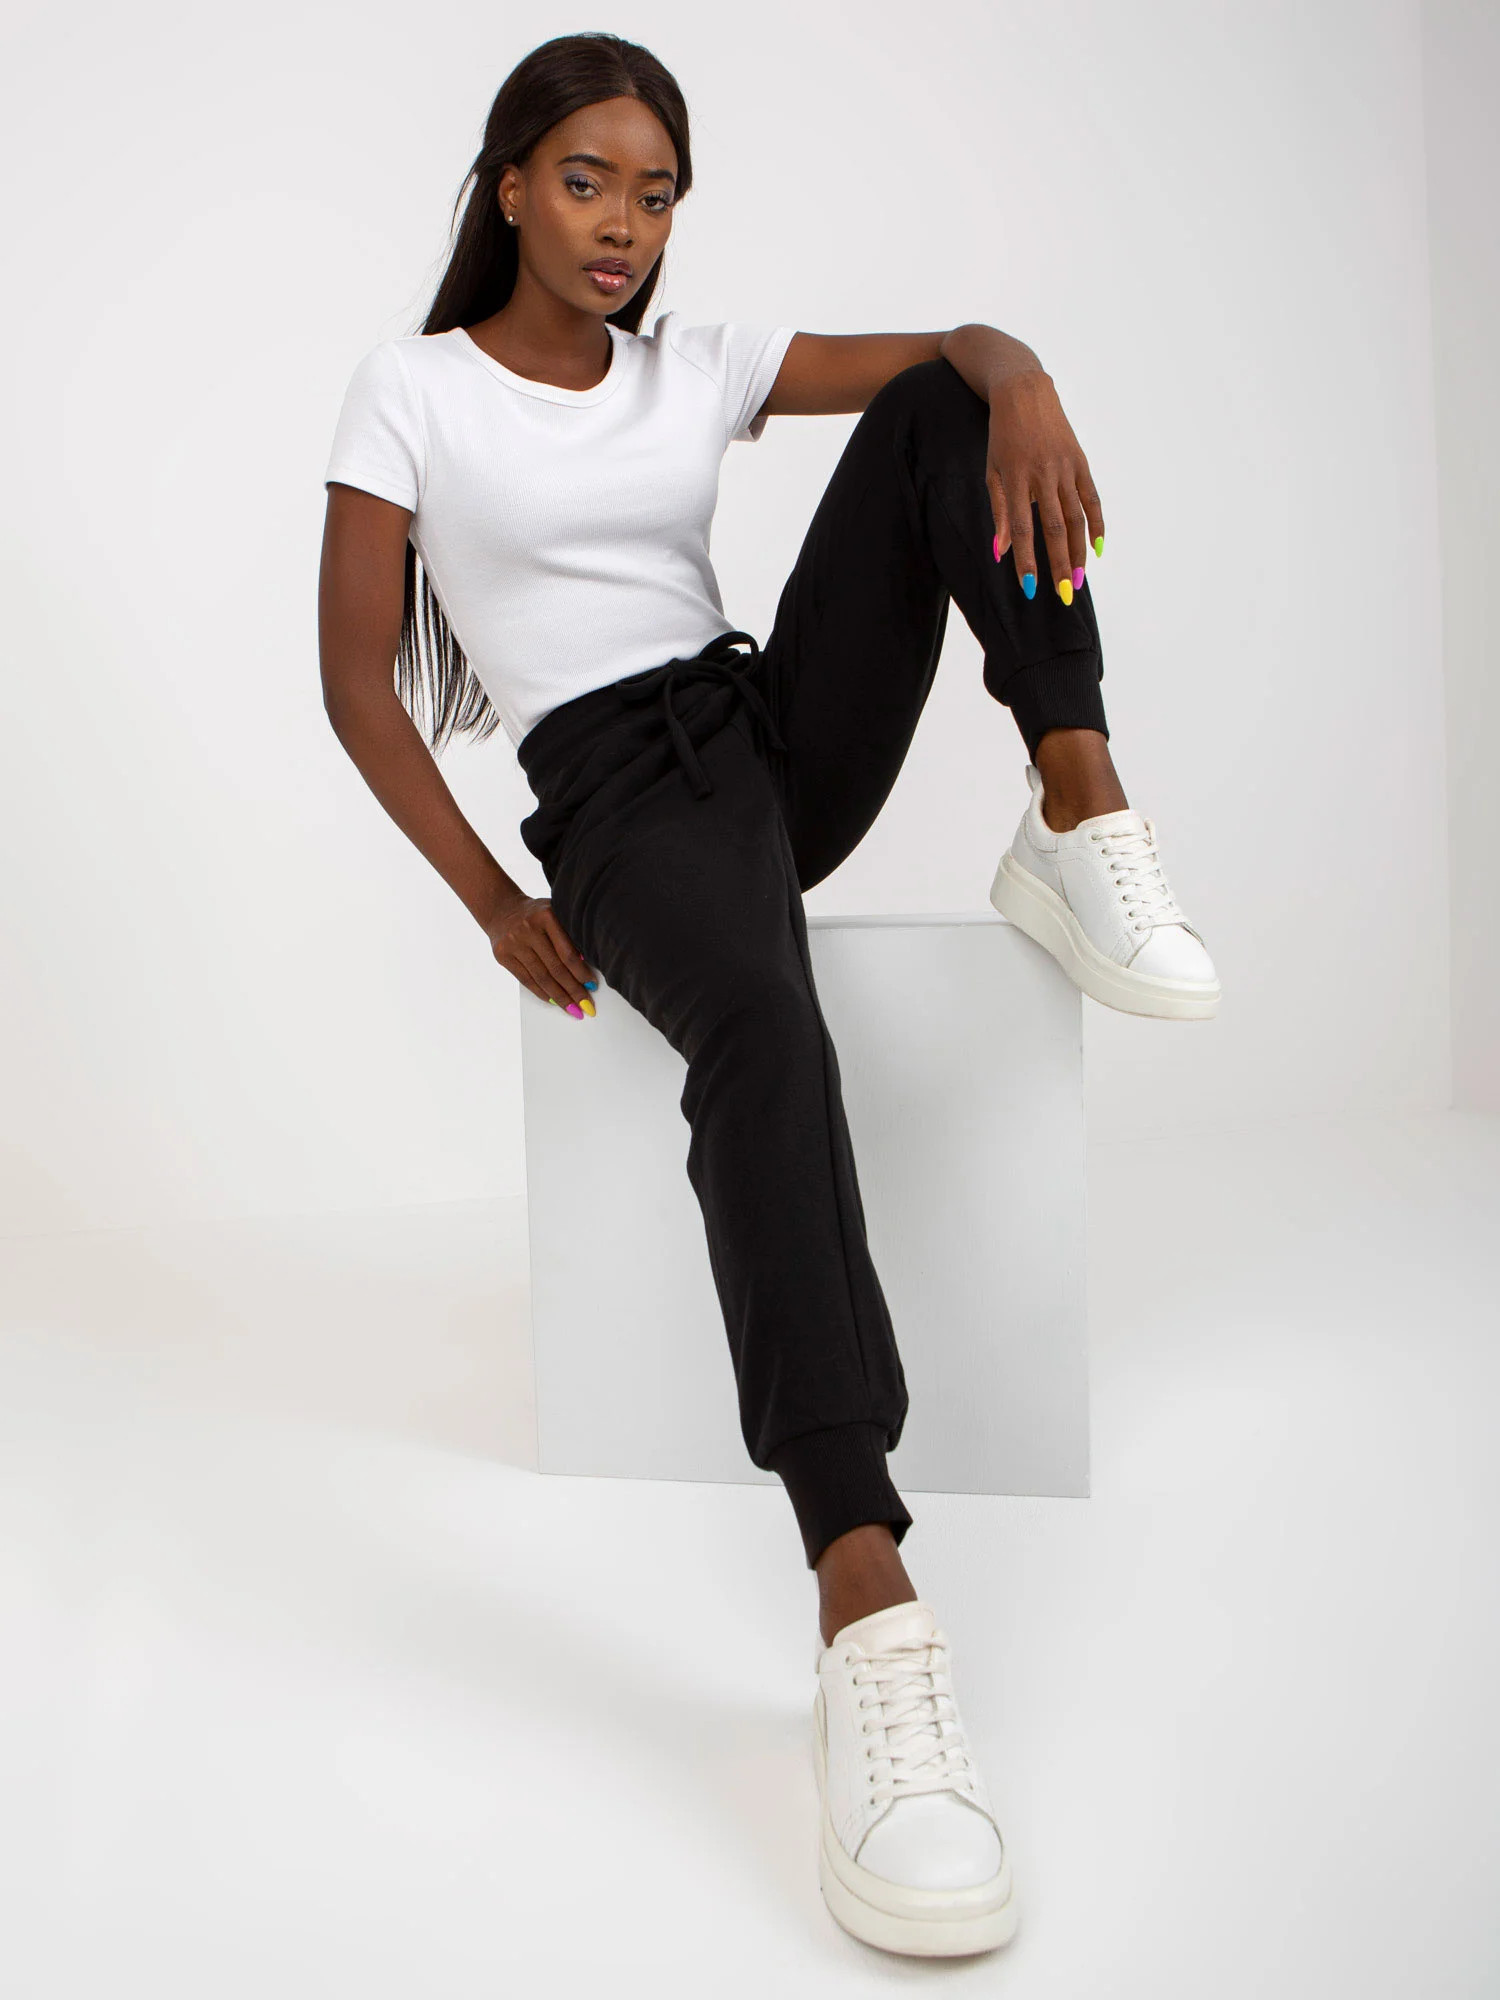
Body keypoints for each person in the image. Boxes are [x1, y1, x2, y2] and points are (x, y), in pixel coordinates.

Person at [317, 31, 1218, 1960]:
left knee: (942, 413)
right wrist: (492, 897)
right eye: (586, 181)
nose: (622, 226)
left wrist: (1020, 371)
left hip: (762, 739)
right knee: (766, 1037)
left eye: (654, 195)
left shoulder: (695, 369)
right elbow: (354, 685)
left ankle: (1079, 800)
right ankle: (865, 1599)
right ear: (508, 185)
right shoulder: (412, 393)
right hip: (618, 807)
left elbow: (945, 360)